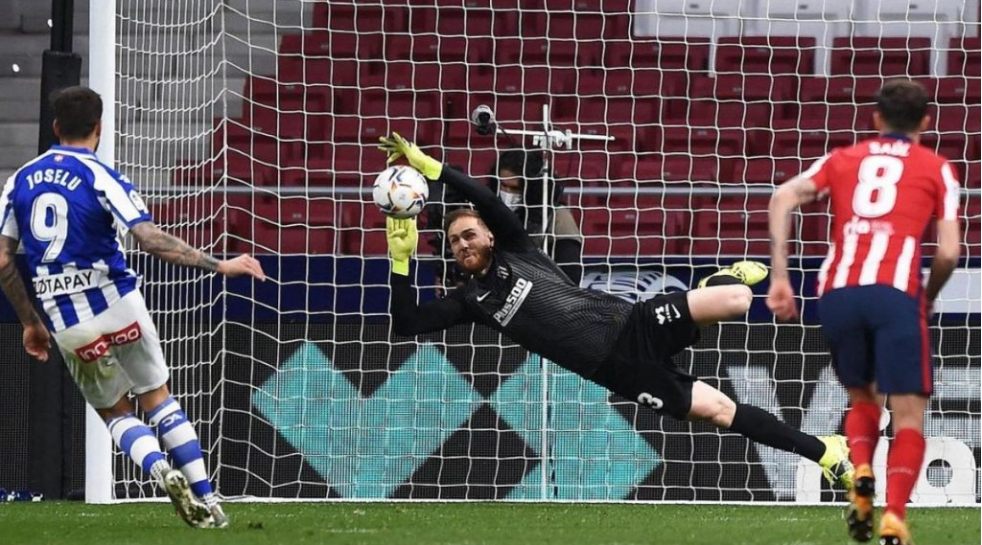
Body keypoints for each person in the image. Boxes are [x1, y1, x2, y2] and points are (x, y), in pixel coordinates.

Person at [378, 132, 854, 491]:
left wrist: (426, 165)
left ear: (489, 236)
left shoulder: (516, 249)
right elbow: (407, 324)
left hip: (632, 325)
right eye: (456, 241)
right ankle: (826, 452)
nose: (464, 245)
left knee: (739, 299)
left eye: (470, 235)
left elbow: (483, 198)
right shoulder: (471, 302)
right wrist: (401, 259)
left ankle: (718, 280)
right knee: (719, 410)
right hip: (617, 372)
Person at [0, 87, 266, 528]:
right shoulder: (103, 175)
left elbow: (4, 258)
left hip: (67, 319)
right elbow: (148, 238)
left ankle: (159, 470)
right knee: (159, 399)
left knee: (116, 413)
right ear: (99, 128)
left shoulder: (20, 180)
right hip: (117, 302)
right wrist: (219, 264)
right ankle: (208, 500)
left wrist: (30, 322)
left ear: (55, 128)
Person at [767, 79, 960, 545]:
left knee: (863, 399)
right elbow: (950, 252)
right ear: (926, 122)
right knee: (909, 415)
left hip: (836, 292)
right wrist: (928, 294)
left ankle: (862, 473)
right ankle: (893, 516)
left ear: (875, 119)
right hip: (894, 293)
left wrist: (779, 277)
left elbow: (782, 197)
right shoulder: (937, 168)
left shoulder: (843, 158)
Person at [491, 149, 583, 285]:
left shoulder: (559, 217)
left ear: (533, 188)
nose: (507, 193)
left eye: (515, 188)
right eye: (503, 186)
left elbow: (571, 275)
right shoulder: (489, 212)